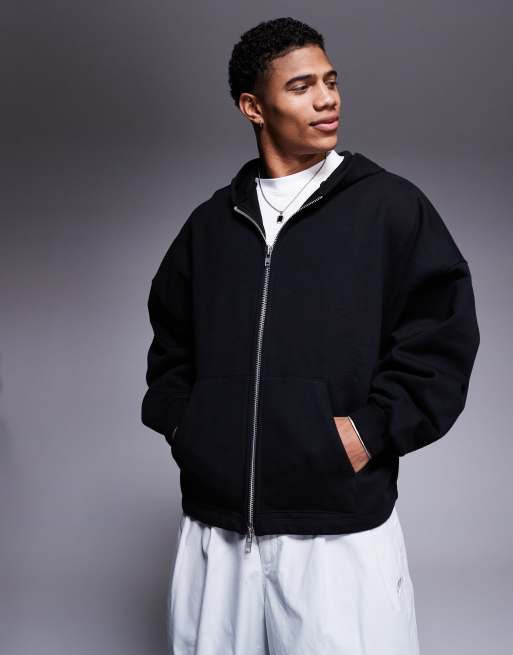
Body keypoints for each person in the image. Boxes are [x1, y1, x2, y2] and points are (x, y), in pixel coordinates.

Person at [141, 16, 480, 655]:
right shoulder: (211, 226)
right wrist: (191, 429)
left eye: (330, 81)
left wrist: (367, 433)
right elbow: (171, 349)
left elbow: (442, 339)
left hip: (337, 532)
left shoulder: (389, 208)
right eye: (301, 87)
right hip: (217, 533)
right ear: (253, 107)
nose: (327, 100)